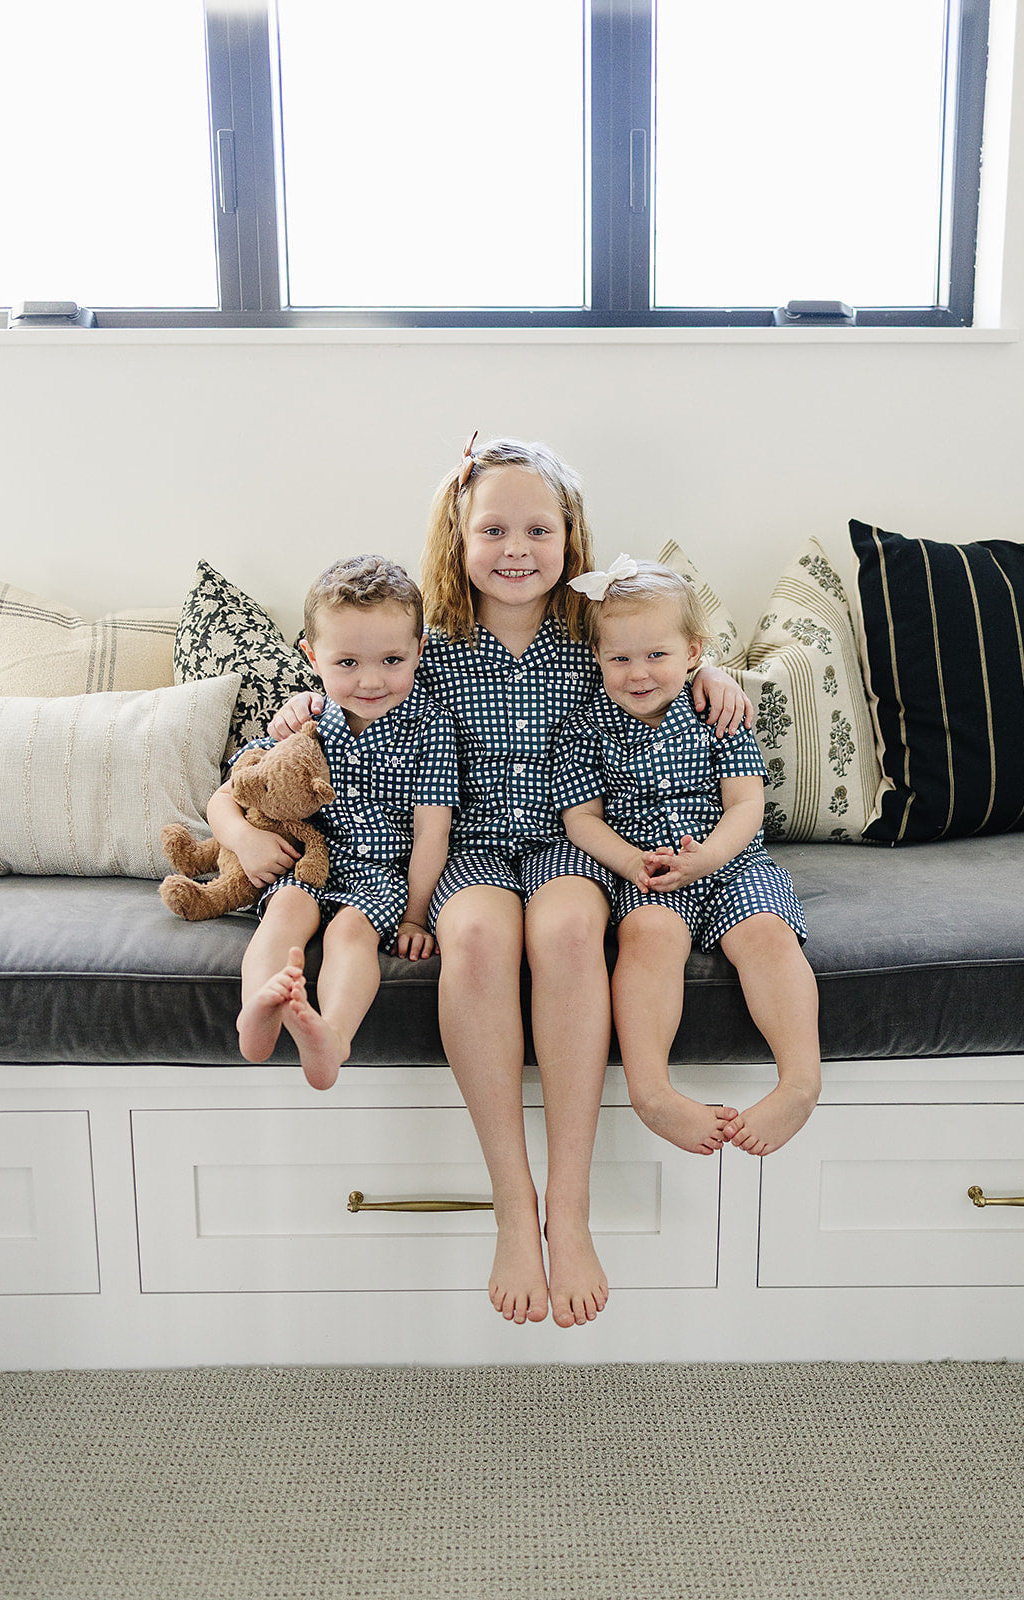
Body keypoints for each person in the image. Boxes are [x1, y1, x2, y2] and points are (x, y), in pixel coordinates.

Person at [270, 436, 750, 1329]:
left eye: (538, 527)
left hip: (579, 842)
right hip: (467, 847)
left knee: (567, 931)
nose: (516, 548)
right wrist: (304, 703)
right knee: (482, 937)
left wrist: (709, 671)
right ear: (458, 539)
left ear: (570, 537)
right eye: (492, 528)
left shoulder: (594, 636)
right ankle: (511, 1205)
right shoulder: (426, 646)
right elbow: (349, 676)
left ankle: (567, 1208)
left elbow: (664, 653)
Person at [557, 557, 820, 1159]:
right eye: (619, 658)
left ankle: (800, 1082)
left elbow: (746, 803)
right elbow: (582, 819)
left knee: (767, 936)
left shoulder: (715, 712)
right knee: (647, 938)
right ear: (597, 658)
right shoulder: (586, 725)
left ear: (693, 651)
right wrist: (629, 863)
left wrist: (712, 858)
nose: (638, 672)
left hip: (731, 860)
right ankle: (652, 1092)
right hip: (650, 867)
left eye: (655, 655)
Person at [209, 554, 458, 1091]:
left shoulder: (430, 728)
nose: (371, 680)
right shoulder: (305, 724)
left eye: (392, 659)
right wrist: (245, 840)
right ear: (313, 656)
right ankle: (256, 1012)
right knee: (285, 912)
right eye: (347, 663)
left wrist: (415, 917)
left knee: (352, 934)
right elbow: (224, 800)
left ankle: (332, 1038)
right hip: (308, 861)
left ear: (419, 651)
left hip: (380, 875)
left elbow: (431, 833)